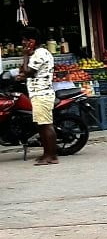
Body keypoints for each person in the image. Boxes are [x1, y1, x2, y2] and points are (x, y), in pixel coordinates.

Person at [19, 30, 58, 166]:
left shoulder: (40, 53)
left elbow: (28, 72)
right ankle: (46, 153)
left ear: (32, 41)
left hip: (42, 94)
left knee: (46, 125)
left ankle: (51, 156)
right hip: (37, 94)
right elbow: (22, 71)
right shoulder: (36, 54)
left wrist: (25, 56)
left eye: (25, 40)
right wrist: (27, 56)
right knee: (41, 125)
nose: (23, 43)